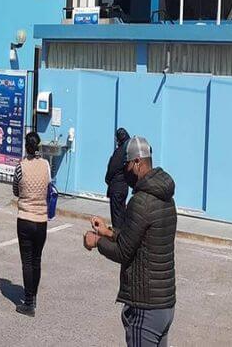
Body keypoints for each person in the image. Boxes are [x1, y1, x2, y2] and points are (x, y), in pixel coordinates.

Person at [84, 136, 177, 347]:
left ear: (137, 162)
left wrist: (96, 241)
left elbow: (124, 252)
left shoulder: (141, 201)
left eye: (126, 164)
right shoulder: (166, 198)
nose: (125, 170)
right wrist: (109, 232)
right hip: (165, 304)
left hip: (146, 306)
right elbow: (141, 237)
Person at [12, 131, 51, 317]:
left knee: (26, 261)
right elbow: (49, 186)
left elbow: (15, 190)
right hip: (41, 219)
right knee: (37, 259)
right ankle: (33, 295)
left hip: (25, 217)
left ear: (26, 147)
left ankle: (28, 303)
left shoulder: (20, 167)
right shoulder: (46, 165)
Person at [105, 127, 131, 230]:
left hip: (117, 187)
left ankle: (117, 236)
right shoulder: (127, 152)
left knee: (116, 215)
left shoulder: (119, 152)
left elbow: (112, 169)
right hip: (124, 187)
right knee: (122, 212)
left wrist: (107, 179)